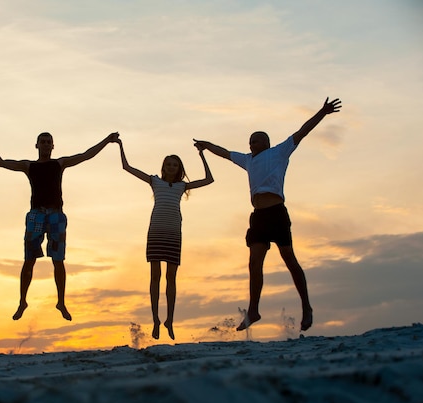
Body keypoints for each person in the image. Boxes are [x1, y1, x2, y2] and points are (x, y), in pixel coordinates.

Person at [194, 97, 342, 332]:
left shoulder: (279, 152)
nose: (253, 143)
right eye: (250, 141)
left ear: (267, 142)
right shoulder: (247, 160)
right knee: (254, 263)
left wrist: (322, 112)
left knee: (290, 260)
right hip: (258, 217)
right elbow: (224, 153)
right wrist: (205, 144)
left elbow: (302, 131)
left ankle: (307, 307)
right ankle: (253, 310)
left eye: (257, 140)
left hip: (277, 213)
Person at [0, 131, 120, 321]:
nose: (45, 145)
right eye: (42, 142)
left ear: (53, 146)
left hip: (56, 215)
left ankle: (61, 301)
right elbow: (1, 162)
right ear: (37, 145)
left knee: (58, 260)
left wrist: (107, 141)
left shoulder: (59, 164)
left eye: (48, 142)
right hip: (36, 214)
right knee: (29, 259)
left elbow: (86, 155)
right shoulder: (29, 166)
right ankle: (22, 302)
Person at [119, 140, 214, 340]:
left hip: (173, 233)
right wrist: (120, 145)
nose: (171, 167)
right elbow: (127, 167)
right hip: (156, 232)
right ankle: (155, 319)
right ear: (163, 167)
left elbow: (209, 179)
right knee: (155, 276)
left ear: (179, 168)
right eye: (168, 164)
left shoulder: (182, 186)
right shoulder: (155, 181)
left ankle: (169, 320)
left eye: (175, 164)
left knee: (171, 277)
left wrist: (202, 154)